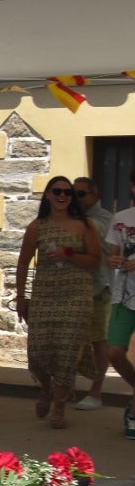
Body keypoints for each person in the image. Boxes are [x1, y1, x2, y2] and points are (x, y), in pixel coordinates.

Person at [16, 176, 102, 429]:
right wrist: (21, 297)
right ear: (48, 195)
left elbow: (96, 260)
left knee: (66, 352)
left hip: (76, 297)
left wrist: (70, 254)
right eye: (57, 191)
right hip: (45, 295)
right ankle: (45, 388)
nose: (63, 196)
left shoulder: (85, 226)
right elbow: (22, 263)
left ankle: (60, 406)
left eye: (67, 192)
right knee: (38, 352)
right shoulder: (37, 227)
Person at [74, 176, 115, 410]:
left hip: (99, 289)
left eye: (81, 194)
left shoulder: (103, 220)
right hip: (75, 290)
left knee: (100, 342)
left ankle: (96, 392)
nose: (75, 199)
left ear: (95, 196)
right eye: (73, 194)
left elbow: (86, 237)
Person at [104, 170, 135, 436]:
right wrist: (113, 261)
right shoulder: (120, 218)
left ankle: (134, 413)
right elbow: (113, 254)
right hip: (124, 295)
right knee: (114, 352)